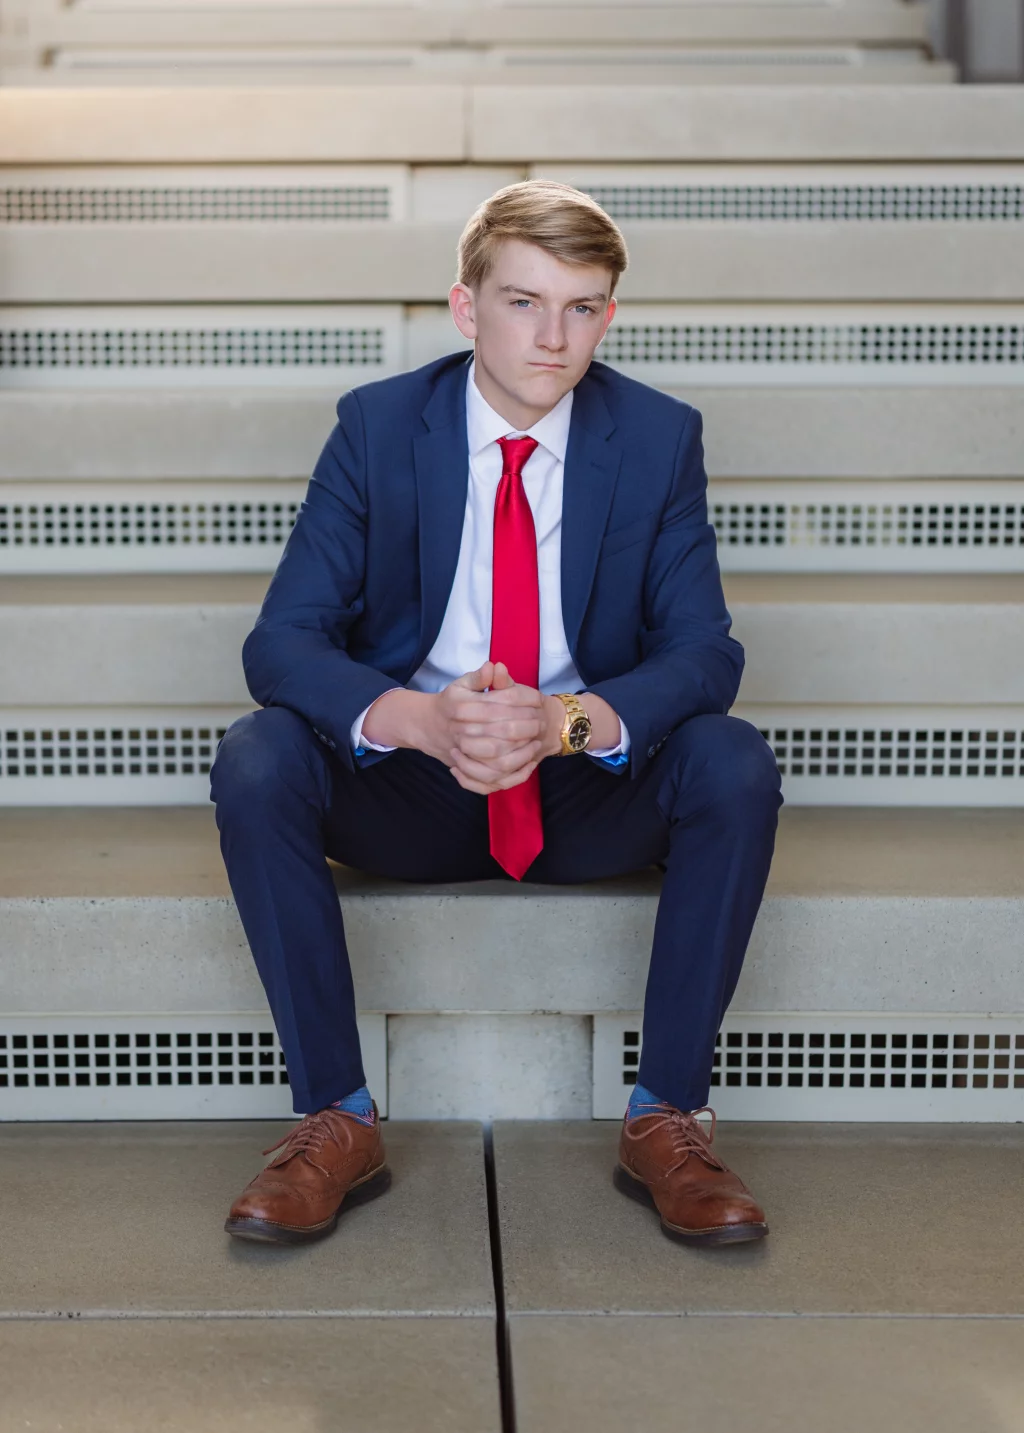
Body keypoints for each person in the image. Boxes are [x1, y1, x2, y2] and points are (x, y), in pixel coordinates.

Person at [210, 179, 784, 1249]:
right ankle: (333, 1114)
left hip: (573, 783)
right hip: (411, 784)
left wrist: (567, 720)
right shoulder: (378, 429)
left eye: (582, 306)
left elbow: (705, 650)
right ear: (465, 308)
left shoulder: (657, 437)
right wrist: (415, 719)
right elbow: (279, 643)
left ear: (609, 315)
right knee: (258, 756)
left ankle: (667, 1113)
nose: (552, 335)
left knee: (731, 761)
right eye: (523, 302)